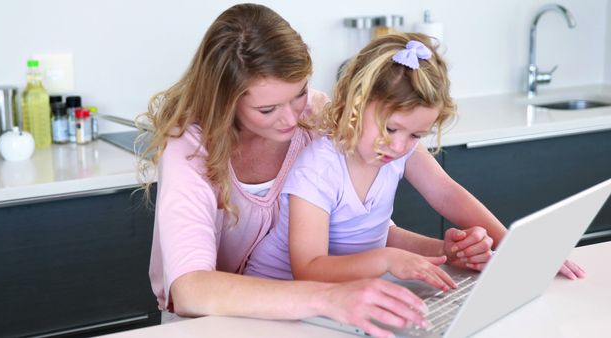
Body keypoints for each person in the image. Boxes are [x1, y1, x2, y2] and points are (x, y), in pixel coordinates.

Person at [142, 4, 433, 338]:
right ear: (225, 101)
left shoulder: (319, 114)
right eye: (267, 109)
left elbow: (358, 228)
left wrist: (440, 250)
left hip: (302, 312)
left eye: (299, 94)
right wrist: (327, 298)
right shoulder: (189, 148)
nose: (292, 119)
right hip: (211, 322)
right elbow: (190, 290)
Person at [244, 33, 497, 290]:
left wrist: (505, 245)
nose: (399, 146)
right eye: (390, 128)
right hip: (276, 293)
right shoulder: (318, 169)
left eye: (416, 135)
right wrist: (386, 260)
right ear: (356, 104)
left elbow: (447, 194)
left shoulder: (396, 150)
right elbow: (308, 270)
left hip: (341, 293)